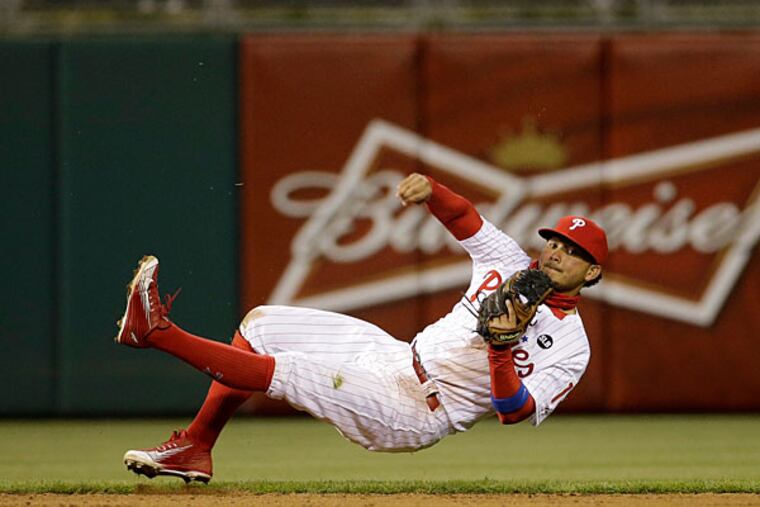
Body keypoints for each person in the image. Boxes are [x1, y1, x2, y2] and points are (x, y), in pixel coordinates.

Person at [116, 172, 608, 483]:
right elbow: (465, 217)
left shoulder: (571, 345)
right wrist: (432, 191)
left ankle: (156, 332)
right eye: (557, 242)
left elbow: (514, 413)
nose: (560, 252)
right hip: (395, 356)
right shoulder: (507, 260)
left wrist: (500, 352)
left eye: (576, 252)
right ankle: (196, 446)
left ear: (593, 273)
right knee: (262, 325)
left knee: (285, 368)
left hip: (418, 410)